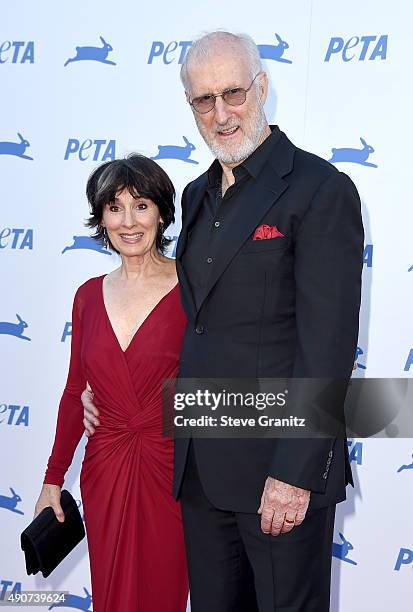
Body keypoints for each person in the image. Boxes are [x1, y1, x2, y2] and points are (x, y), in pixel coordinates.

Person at [83, 32, 364, 611]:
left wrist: (294, 474)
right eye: (203, 100)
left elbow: (327, 348)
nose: (221, 113)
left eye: (233, 93)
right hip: (200, 471)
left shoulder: (320, 190)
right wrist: (114, 398)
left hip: (276, 477)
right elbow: (198, 328)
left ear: (261, 88)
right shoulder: (195, 196)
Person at [34, 155, 188, 612]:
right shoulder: (87, 295)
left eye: (141, 206)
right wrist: (51, 478)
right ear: (101, 217)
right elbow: (72, 392)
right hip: (105, 467)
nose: (128, 221)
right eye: (114, 208)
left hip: (172, 467)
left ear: (161, 212)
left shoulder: (193, 287)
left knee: (164, 591)